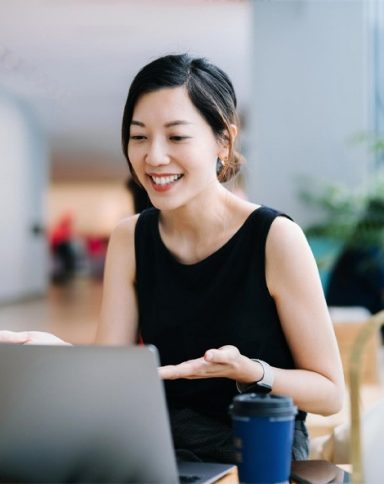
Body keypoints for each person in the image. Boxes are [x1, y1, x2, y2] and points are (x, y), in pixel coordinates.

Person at [0, 54, 344, 463]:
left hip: (256, 443)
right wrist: (62, 353)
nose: (154, 157)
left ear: (224, 141)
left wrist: (251, 371)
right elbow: (114, 375)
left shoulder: (275, 238)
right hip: (157, 440)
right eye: (139, 136)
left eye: (177, 137)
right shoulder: (131, 237)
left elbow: (330, 394)